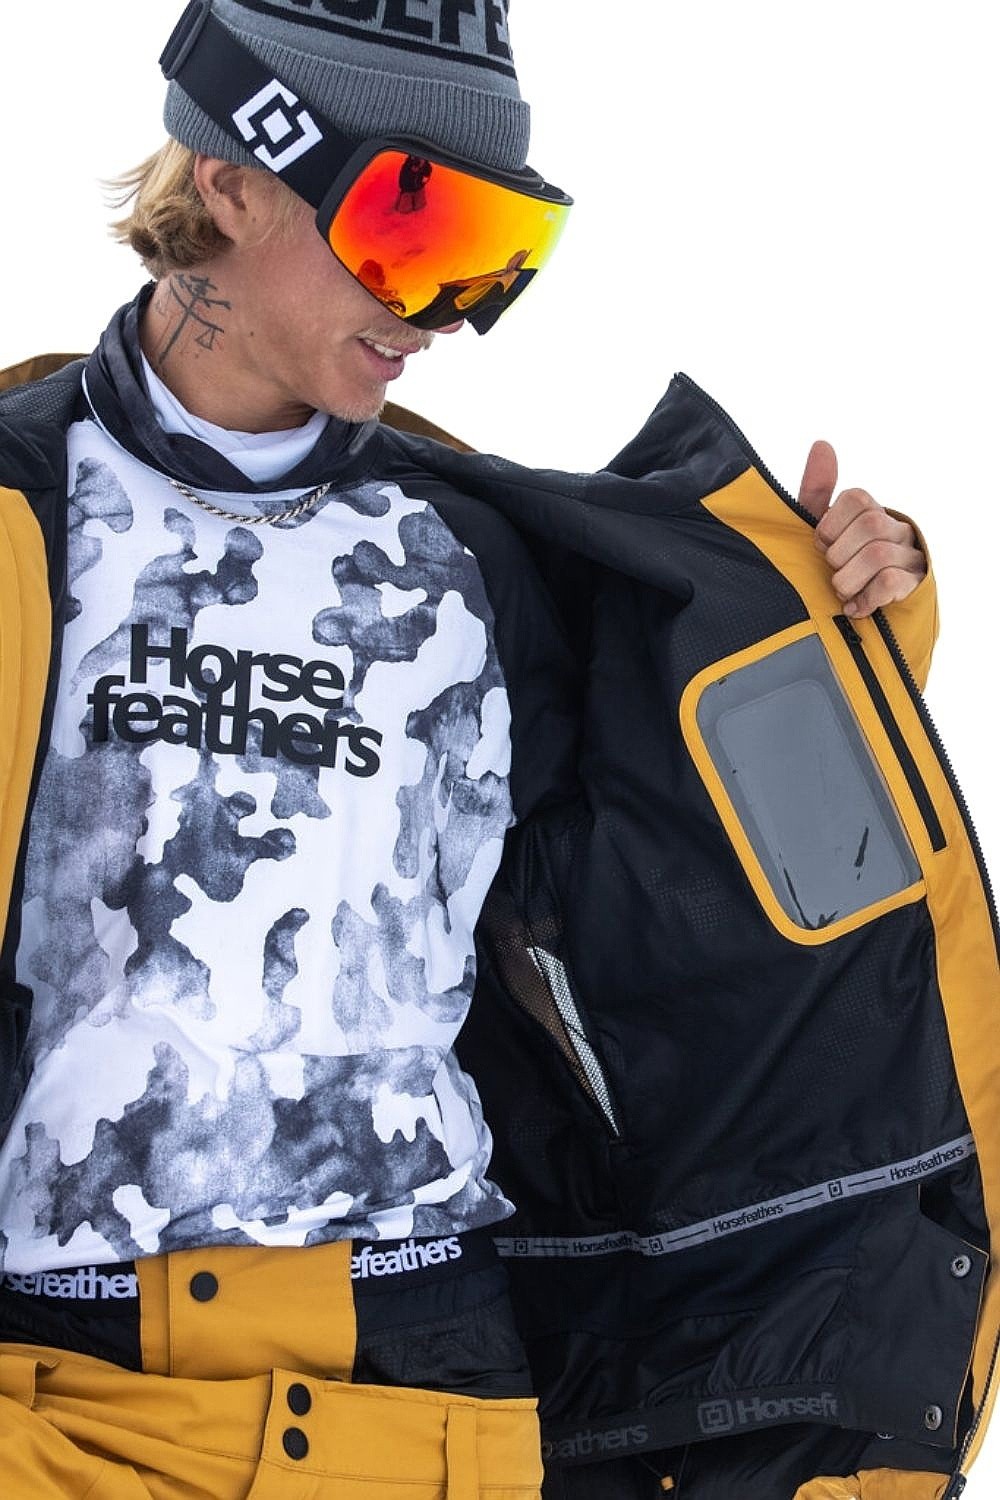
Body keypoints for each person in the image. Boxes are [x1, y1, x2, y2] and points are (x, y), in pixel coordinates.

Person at [0, 3, 946, 1498]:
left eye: (496, 249)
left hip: (435, 1392)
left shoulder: (475, 560)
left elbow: (703, 866)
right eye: (414, 225)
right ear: (231, 180)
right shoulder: (25, 515)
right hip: (70, 1399)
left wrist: (848, 626)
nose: (448, 312)